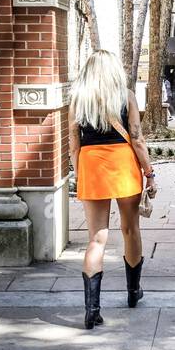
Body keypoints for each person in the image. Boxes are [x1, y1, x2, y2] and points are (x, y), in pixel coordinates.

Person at [68, 50, 157, 329]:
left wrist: (80, 172)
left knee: (97, 238)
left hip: (92, 165)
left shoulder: (78, 99)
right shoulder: (126, 95)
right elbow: (138, 139)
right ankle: (133, 291)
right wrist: (150, 173)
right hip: (122, 164)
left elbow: (73, 145)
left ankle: (92, 309)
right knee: (131, 229)